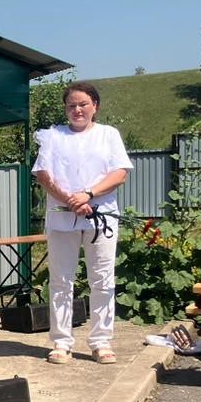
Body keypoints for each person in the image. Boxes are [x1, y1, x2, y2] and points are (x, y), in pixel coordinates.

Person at [32, 82, 132, 365]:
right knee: (61, 281)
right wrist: (71, 199)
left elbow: (120, 173)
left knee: (102, 279)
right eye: (71, 105)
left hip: (101, 216)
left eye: (82, 104)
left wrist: (88, 194)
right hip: (62, 217)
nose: (77, 110)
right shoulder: (54, 135)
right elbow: (43, 174)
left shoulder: (108, 135)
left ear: (94, 107)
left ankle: (101, 341)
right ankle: (61, 342)